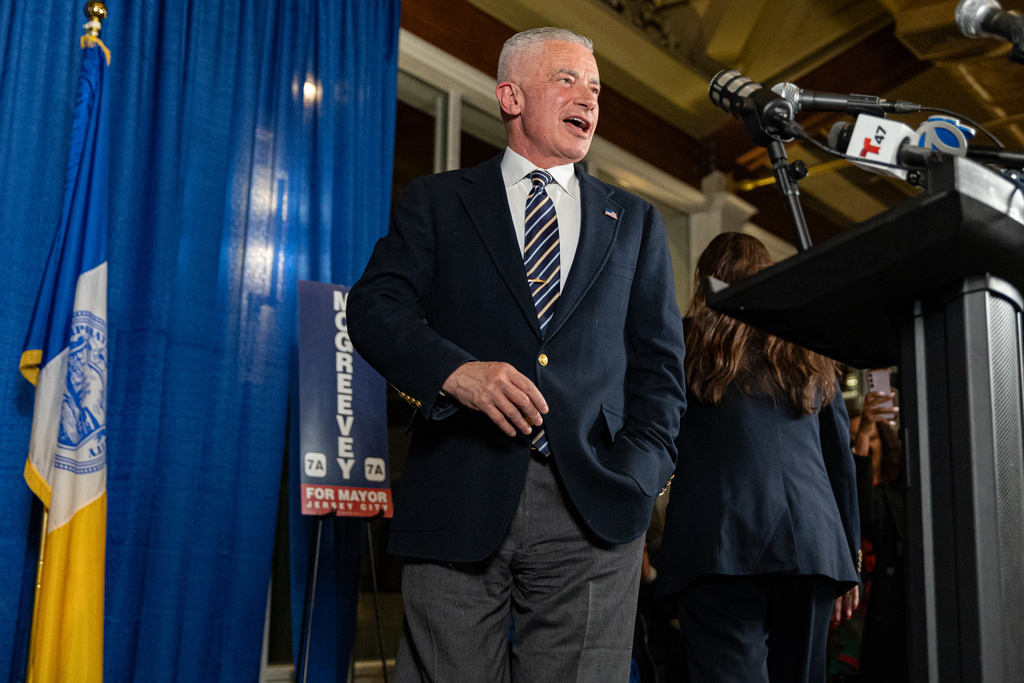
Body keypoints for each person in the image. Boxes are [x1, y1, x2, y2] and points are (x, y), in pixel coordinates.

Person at [348, 27, 686, 683]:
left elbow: (660, 370)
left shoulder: (637, 221)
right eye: (567, 79)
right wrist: (456, 372)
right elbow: (372, 309)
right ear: (510, 95)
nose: (587, 96)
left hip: (595, 503)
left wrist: (641, 476)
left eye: (595, 87)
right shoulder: (438, 201)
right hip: (459, 490)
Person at [657, 232, 861, 683]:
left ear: (703, 279)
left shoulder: (684, 343)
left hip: (719, 543)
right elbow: (839, 462)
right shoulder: (807, 350)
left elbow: (659, 431)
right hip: (814, 547)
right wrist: (849, 563)